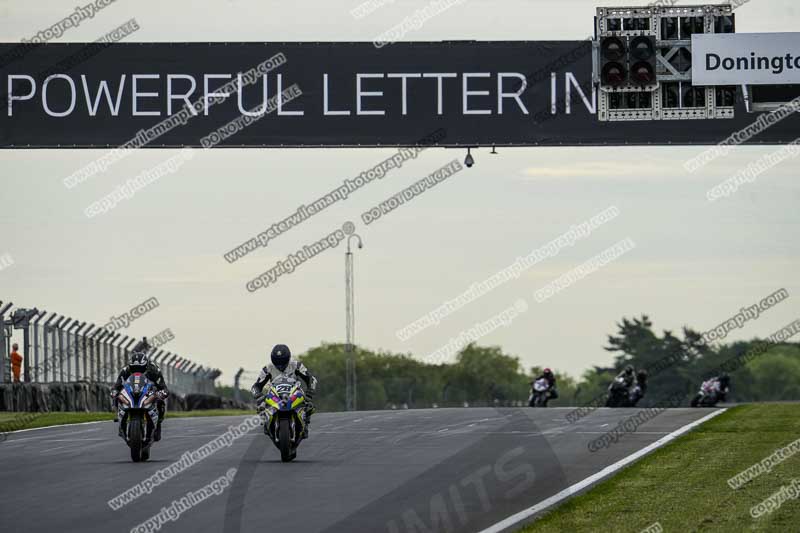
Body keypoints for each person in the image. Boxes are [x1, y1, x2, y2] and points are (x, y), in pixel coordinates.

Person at [251, 344, 318, 438]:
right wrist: (258, 395)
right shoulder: (267, 369)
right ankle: (266, 423)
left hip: (294, 392)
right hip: (275, 393)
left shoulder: (296, 365)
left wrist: (310, 392)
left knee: (309, 404)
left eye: (283, 361)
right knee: (261, 406)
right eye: (277, 362)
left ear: (288, 358)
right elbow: (256, 386)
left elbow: (311, 379)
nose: (280, 365)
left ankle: (305, 424)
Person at [110, 337, 169, 441]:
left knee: (160, 401)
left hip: (149, 390)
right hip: (133, 390)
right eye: (134, 369)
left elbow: (163, 387)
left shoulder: (154, 370)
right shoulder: (126, 370)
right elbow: (117, 385)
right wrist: (115, 392)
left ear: (146, 366)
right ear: (130, 366)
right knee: (117, 395)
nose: (137, 371)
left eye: (140, 369)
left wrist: (161, 393)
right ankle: (119, 420)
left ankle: (158, 423)